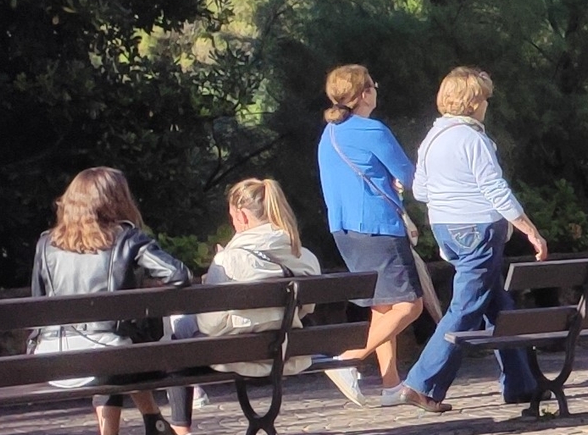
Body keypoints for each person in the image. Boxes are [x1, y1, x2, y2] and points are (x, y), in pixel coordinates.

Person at [382, 67, 550, 414]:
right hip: (479, 228)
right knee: (466, 307)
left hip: (447, 227)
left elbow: (422, 189)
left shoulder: (432, 139)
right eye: (485, 98)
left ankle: (522, 384)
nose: (487, 105)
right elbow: (495, 189)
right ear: (473, 102)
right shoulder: (474, 139)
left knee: (497, 305)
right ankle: (421, 384)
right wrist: (527, 227)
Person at [30, 167, 194, 435]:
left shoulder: (45, 244)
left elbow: (39, 306)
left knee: (116, 350)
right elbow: (179, 275)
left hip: (53, 358)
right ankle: (150, 429)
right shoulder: (128, 239)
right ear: (117, 200)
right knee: (120, 347)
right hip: (109, 353)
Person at [315, 64, 425, 403]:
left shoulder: (328, 134)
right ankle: (349, 358)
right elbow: (410, 177)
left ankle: (391, 384)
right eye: (373, 86)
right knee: (410, 305)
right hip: (378, 226)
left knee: (382, 306)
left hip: (344, 230)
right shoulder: (371, 129)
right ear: (364, 94)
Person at [189, 178, 323, 372]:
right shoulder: (307, 258)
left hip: (237, 355)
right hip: (289, 350)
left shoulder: (228, 260)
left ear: (242, 216)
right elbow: (307, 309)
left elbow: (210, 326)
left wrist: (214, 275)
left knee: (178, 323)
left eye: (232, 217)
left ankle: (190, 398)